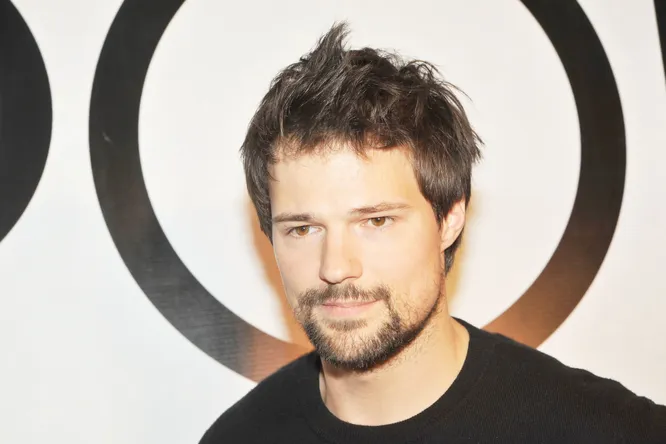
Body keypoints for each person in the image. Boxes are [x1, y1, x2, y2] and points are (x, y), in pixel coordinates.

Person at [199, 22, 666, 443]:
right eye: (303, 228)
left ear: (449, 220)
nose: (335, 266)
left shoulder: (605, 429)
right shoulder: (237, 437)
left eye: (375, 221)